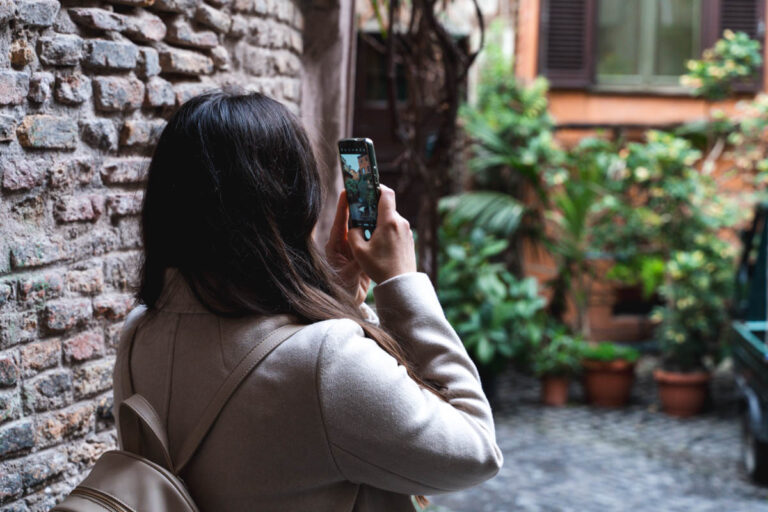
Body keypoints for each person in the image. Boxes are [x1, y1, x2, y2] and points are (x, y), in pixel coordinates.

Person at [113, 89, 503, 512]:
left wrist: (335, 297)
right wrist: (401, 281)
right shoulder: (325, 360)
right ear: (290, 202)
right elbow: (476, 451)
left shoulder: (138, 334)